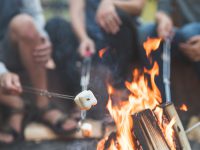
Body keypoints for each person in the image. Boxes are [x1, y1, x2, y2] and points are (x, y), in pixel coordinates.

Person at [0, 0, 77, 143]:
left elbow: (34, 13)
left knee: (25, 24)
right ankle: (16, 105)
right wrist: (2, 72)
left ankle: (43, 106)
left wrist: (42, 38)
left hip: (10, 45)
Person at [46, 0, 146, 94]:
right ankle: (74, 100)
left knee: (120, 17)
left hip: (119, 38)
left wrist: (111, 3)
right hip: (90, 39)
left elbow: (138, 6)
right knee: (55, 26)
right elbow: (76, 12)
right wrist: (83, 38)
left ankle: (117, 92)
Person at [138, 0, 200, 101]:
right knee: (146, 32)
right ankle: (163, 106)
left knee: (190, 31)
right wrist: (164, 19)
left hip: (192, 33)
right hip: (179, 34)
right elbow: (162, 11)